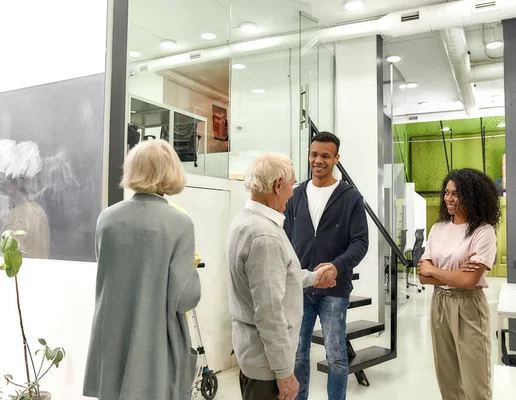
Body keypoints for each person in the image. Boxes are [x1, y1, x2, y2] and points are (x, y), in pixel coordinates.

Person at [83, 140, 201, 400]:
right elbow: (185, 299)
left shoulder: (107, 219)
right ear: (171, 171)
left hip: (112, 337)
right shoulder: (180, 223)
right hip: (155, 341)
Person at [227, 153, 336, 400]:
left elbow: (275, 277)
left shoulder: (248, 222)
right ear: (278, 184)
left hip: (255, 356)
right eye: (291, 185)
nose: (292, 193)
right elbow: (269, 312)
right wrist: (285, 373)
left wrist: (312, 277)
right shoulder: (264, 236)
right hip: (266, 366)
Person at [283, 132, 369, 400]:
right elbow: (285, 239)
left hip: (334, 289)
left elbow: (360, 242)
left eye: (325, 156)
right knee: (297, 354)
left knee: (336, 357)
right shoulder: (295, 195)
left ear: (336, 159)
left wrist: (337, 266)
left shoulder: (350, 197)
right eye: (313, 154)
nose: (318, 160)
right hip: (301, 288)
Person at [418, 168, 500, 400]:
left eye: (456, 194)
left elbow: (468, 281)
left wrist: (435, 270)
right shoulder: (438, 228)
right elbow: (422, 276)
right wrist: (451, 274)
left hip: (469, 306)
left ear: (472, 196)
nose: (449, 198)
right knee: (448, 379)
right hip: (439, 303)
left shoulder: (484, 232)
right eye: (447, 193)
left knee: (476, 381)